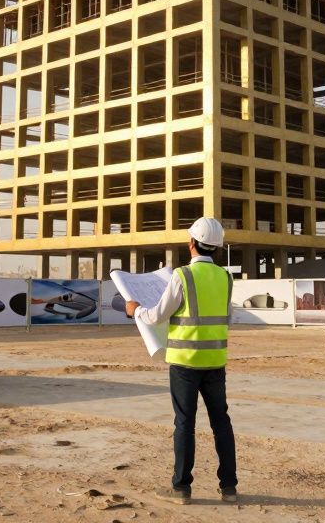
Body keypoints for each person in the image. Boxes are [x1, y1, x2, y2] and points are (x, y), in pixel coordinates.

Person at [124, 216, 237, 505]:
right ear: (217, 248)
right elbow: (227, 318)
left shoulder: (183, 276)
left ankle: (182, 488)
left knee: (185, 423)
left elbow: (156, 315)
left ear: (191, 244)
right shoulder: (226, 278)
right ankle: (228, 487)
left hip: (185, 363)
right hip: (215, 361)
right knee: (221, 422)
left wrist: (135, 310)